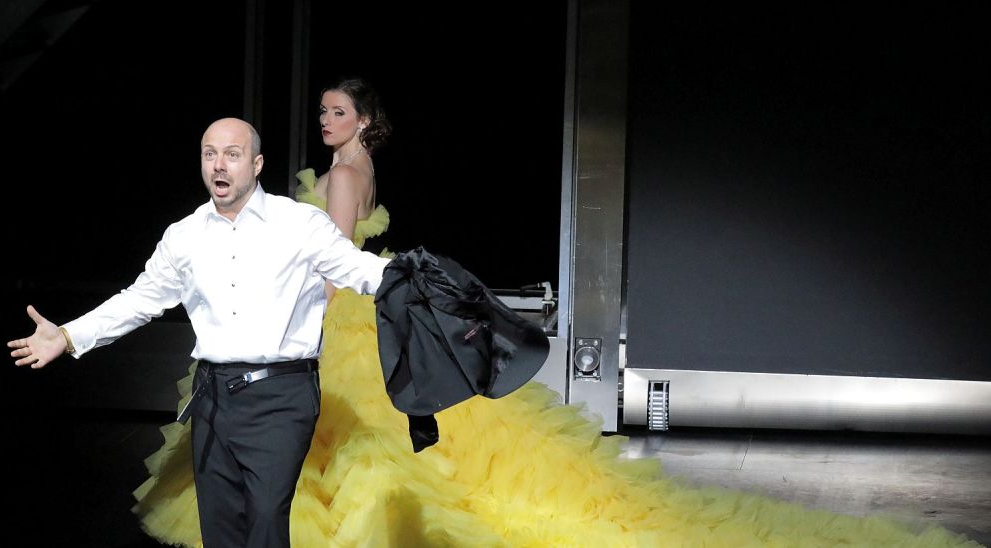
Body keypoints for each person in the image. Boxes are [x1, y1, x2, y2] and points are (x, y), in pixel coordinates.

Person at [131, 83, 980, 547]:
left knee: (348, 438)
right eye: (321, 112)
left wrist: (301, 316)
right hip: (334, 312)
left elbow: (335, 256)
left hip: (335, 315)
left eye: (337, 111)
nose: (325, 121)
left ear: (365, 120)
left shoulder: (344, 176)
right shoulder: (355, 167)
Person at [7, 117, 390, 548]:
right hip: (213, 398)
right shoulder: (184, 236)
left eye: (232, 155)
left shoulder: (298, 223)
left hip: (281, 397)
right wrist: (68, 335)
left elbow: (358, 269)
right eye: (210, 154)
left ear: (257, 164)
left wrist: (423, 281)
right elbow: (139, 300)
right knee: (220, 527)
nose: (219, 165)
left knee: (266, 519)